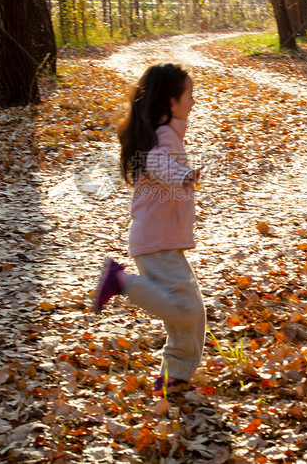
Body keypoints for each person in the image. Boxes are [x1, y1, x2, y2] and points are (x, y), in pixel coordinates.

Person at [92, 62, 205, 396]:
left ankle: (175, 376)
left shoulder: (163, 133)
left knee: (191, 313)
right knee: (186, 309)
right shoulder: (163, 137)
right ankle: (120, 280)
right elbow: (157, 162)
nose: (194, 102)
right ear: (171, 102)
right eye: (190, 96)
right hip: (158, 243)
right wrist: (181, 175)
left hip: (159, 240)